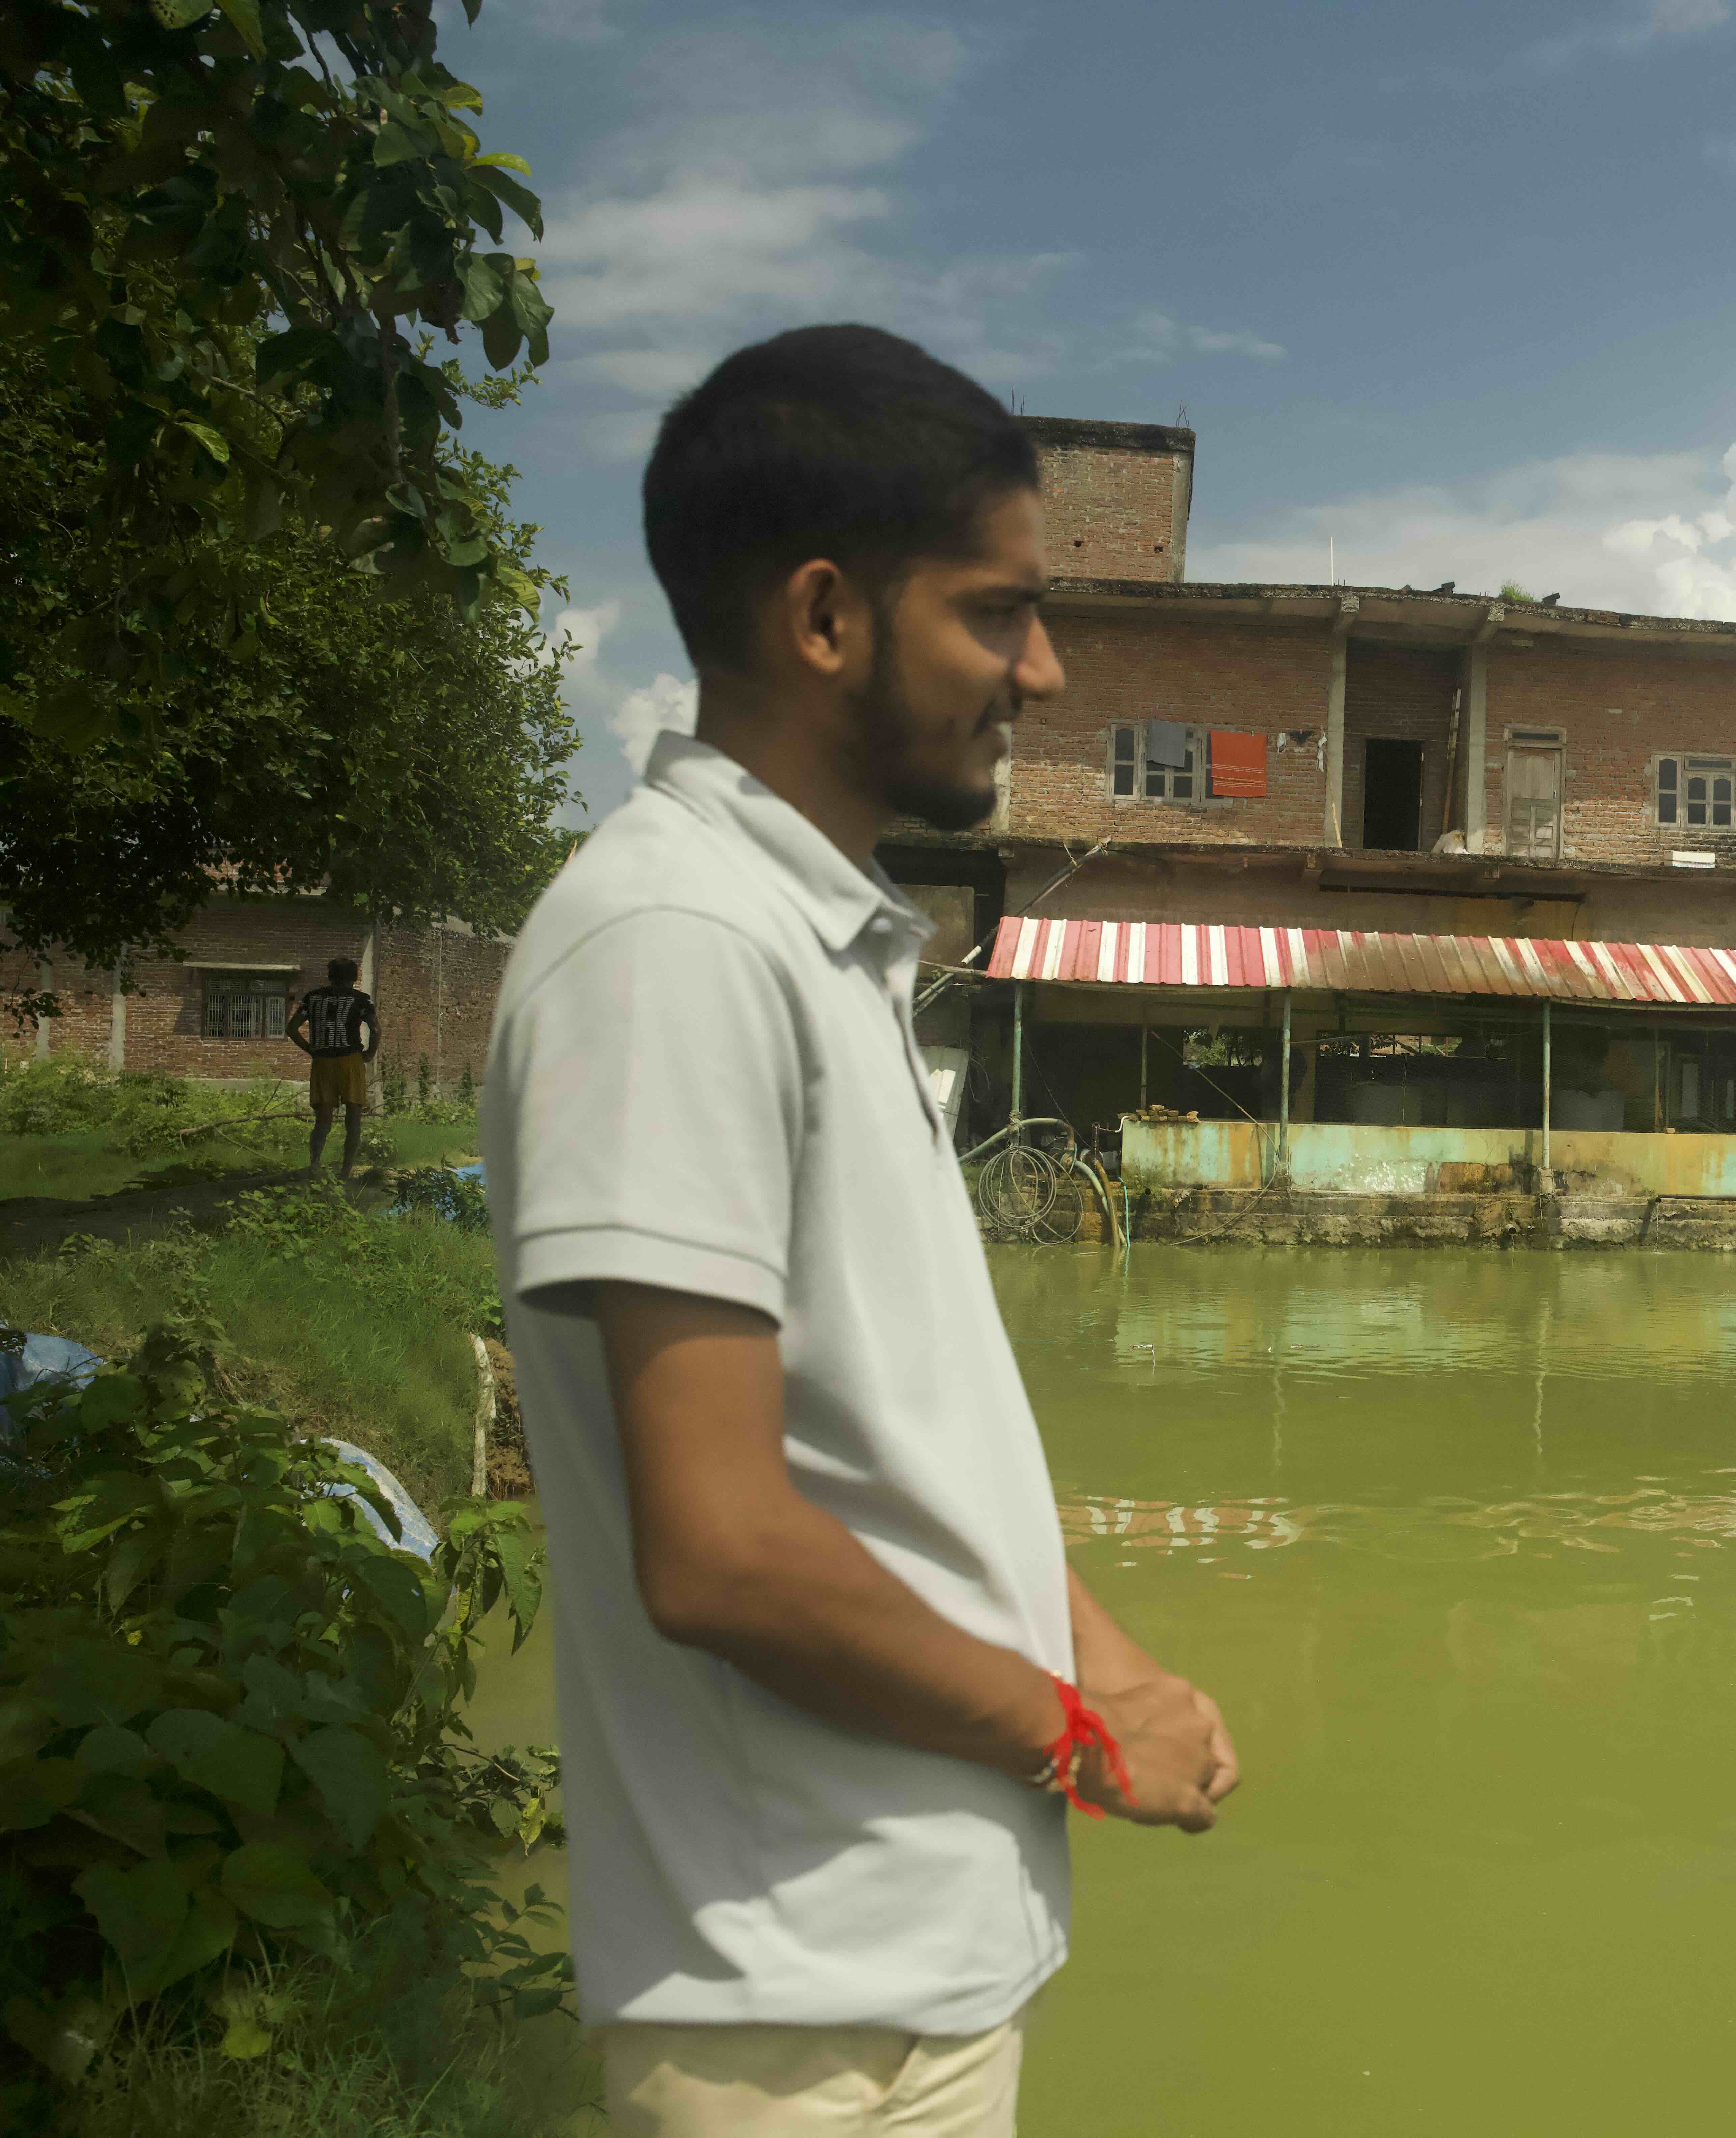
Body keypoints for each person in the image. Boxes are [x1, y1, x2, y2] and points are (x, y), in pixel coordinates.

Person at [482, 325, 1240, 2138]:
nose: (1043, 671)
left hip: (895, 1987)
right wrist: (1068, 1735)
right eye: (999, 612)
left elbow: (893, 1443)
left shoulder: (818, 946)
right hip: (794, 2025)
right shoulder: (673, 948)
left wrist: (1102, 1651)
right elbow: (727, 1548)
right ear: (826, 617)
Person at [288, 957, 378, 1177]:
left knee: (323, 1120)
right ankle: (346, 1172)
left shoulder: (313, 998)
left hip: (323, 1063)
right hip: (351, 1061)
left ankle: (315, 1165)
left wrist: (311, 1049)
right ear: (354, 978)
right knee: (353, 1118)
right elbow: (375, 1029)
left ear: (330, 976)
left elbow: (292, 1028)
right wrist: (369, 1054)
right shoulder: (361, 1000)